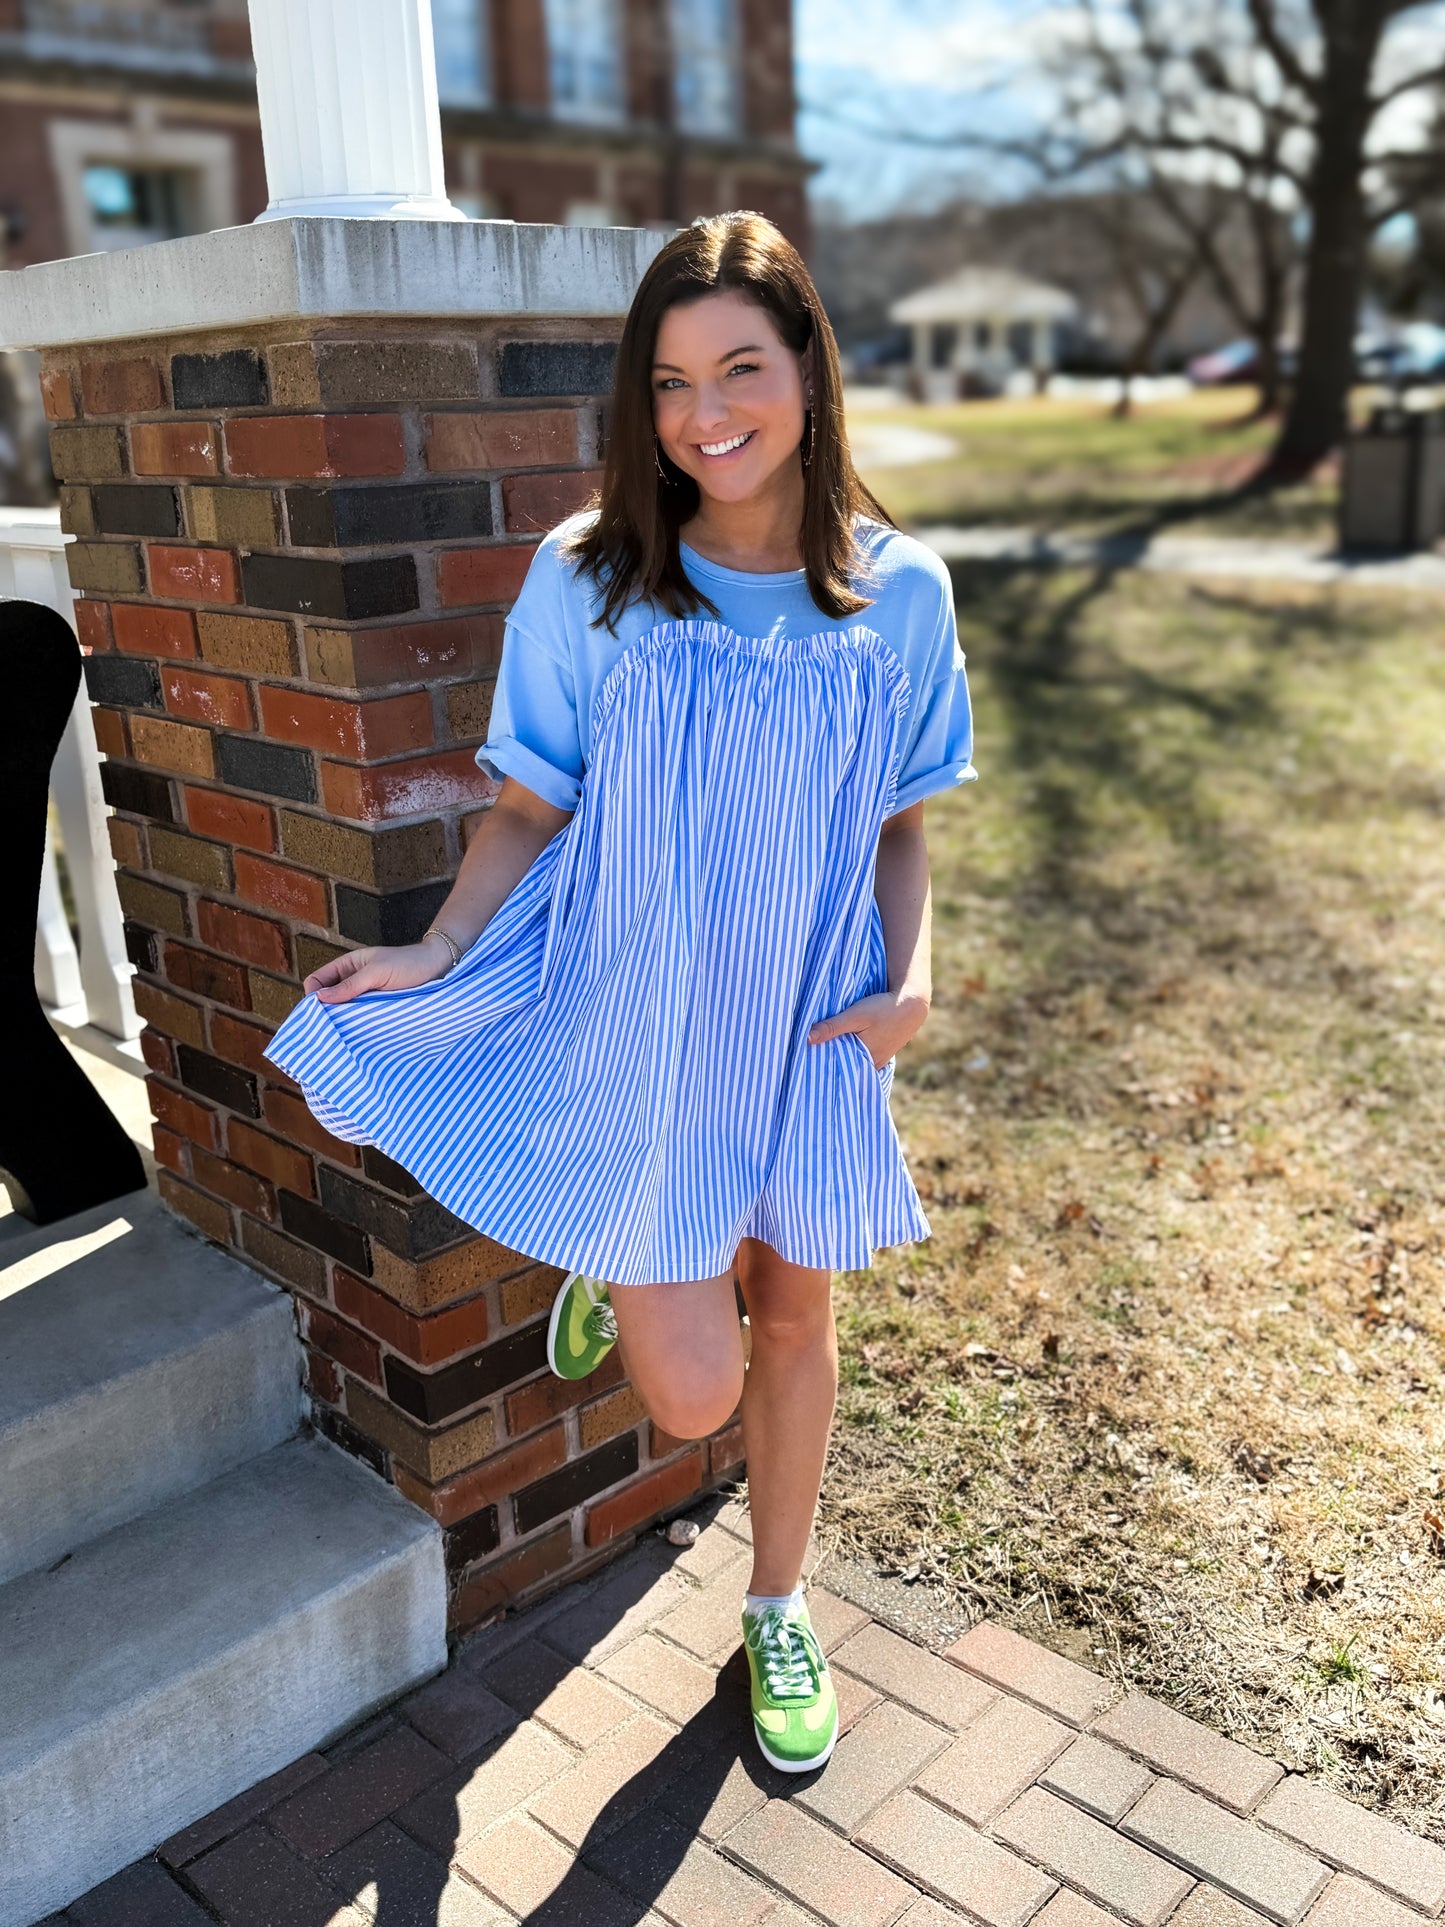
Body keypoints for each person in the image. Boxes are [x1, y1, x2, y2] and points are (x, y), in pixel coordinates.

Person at [263, 210, 975, 1776]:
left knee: (791, 1318)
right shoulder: (589, 579)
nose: (704, 413)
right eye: (666, 382)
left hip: (806, 1017)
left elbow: (901, 827)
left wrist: (909, 978)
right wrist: (435, 954)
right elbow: (526, 807)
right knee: (686, 1399)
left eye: (739, 367)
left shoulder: (898, 594)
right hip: (635, 1016)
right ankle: (616, 1235)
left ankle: (777, 1608)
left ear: (808, 370)